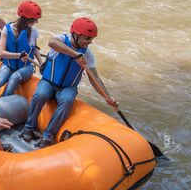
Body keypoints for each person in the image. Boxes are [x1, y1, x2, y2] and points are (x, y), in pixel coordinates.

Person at [20, 17, 119, 148]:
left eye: (91, 39)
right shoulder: (61, 39)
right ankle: (29, 127)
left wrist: (107, 97)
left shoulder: (88, 55)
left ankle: (47, 137)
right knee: (40, 95)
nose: (89, 42)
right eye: (87, 38)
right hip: (49, 82)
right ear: (76, 35)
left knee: (67, 101)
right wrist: (75, 54)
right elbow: (51, 42)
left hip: (68, 87)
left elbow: (95, 78)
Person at [0, 0, 43, 98]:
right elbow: (2, 53)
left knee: (14, 77)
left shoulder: (33, 32)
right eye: (35, 19)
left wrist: (42, 64)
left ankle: (2, 102)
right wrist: (19, 55)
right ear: (27, 19)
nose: (37, 22)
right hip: (9, 64)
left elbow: (34, 49)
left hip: (26, 67)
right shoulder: (7, 29)